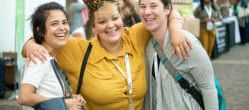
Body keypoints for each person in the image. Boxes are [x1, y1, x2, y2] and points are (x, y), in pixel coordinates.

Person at [22, 0, 192, 109]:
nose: (110, 25)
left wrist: (176, 29)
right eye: (102, 21)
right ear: (94, 27)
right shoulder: (78, 49)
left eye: (115, 18)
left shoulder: (135, 35)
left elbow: (166, 13)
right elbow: (45, 40)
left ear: (122, 19)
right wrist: (29, 45)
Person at [140, 0, 218, 110]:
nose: (147, 11)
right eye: (143, 6)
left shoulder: (186, 42)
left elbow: (208, 88)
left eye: (153, 6)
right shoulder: (148, 47)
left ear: (167, 9)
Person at [18, 2, 86, 110]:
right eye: (54, 24)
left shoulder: (51, 58)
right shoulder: (41, 58)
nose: (62, 28)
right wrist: (64, 103)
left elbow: (48, 93)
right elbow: (24, 97)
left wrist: (71, 98)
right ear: (40, 31)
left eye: (64, 22)